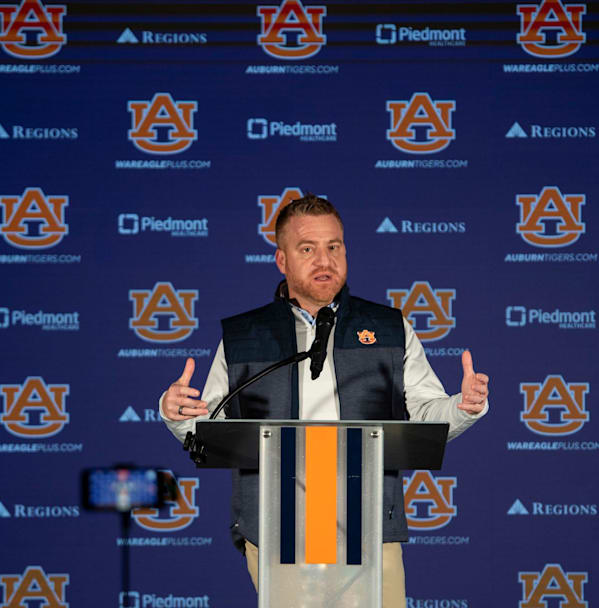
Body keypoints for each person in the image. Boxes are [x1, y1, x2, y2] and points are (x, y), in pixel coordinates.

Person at [159, 194, 489, 607]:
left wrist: (464, 406)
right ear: (282, 260)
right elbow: (208, 427)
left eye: (334, 247)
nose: (324, 260)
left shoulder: (389, 328)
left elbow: (425, 414)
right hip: (278, 522)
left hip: (367, 518)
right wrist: (175, 414)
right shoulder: (245, 337)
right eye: (307, 249)